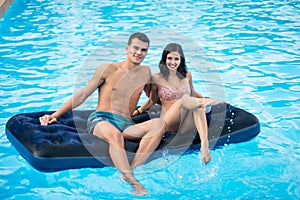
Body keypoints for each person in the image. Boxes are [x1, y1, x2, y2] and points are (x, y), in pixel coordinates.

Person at [39, 32, 167, 196]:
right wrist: (55, 115)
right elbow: (83, 94)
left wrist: (148, 108)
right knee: (115, 136)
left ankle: (131, 169)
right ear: (127, 48)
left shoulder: (145, 72)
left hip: (127, 124)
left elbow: (154, 98)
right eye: (135, 48)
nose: (139, 53)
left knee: (159, 124)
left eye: (143, 50)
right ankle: (134, 181)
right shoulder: (108, 69)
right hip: (102, 119)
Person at [133, 43, 226, 164]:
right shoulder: (156, 79)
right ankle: (203, 104)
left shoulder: (187, 75)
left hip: (186, 121)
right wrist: (139, 111)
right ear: (164, 59)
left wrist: (206, 99)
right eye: (169, 58)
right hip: (168, 121)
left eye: (176, 59)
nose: (173, 62)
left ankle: (204, 145)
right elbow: (152, 100)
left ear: (181, 60)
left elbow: (193, 93)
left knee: (195, 104)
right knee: (186, 100)